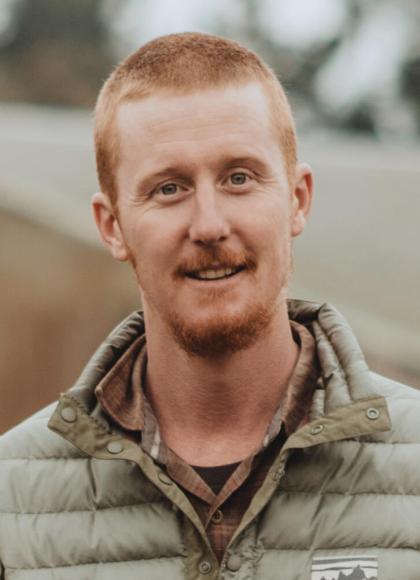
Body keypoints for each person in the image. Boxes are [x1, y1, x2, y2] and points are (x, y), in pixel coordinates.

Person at [1, 32, 419, 580]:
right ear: (112, 226)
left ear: (297, 200)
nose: (209, 225)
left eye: (239, 178)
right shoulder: (13, 501)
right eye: (169, 188)